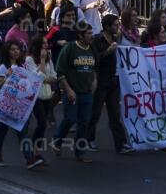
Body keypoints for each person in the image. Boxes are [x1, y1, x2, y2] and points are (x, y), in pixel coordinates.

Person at [87, 13, 133, 154]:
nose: (118, 27)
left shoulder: (115, 38)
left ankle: (121, 144)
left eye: (118, 24)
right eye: (115, 25)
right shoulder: (97, 40)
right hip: (101, 80)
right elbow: (94, 60)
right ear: (107, 27)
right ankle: (89, 139)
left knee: (115, 114)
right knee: (95, 112)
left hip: (114, 80)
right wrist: (107, 51)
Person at [53, 21, 97, 162]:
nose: (92, 36)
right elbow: (60, 71)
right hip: (72, 92)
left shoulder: (92, 48)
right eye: (89, 33)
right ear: (80, 35)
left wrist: (94, 81)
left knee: (84, 123)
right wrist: (68, 89)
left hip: (87, 93)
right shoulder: (70, 48)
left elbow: (94, 67)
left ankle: (80, 153)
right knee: (70, 119)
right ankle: (57, 140)